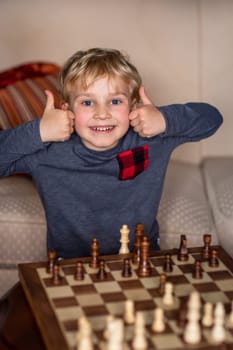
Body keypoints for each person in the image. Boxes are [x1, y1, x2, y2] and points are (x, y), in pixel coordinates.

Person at [0, 48, 223, 259]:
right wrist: (38, 131)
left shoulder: (151, 138)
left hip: (141, 259)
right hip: (69, 267)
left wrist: (164, 119)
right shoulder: (47, 152)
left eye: (115, 101)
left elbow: (212, 118)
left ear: (133, 107)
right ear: (66, 109)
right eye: (87, 102)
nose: (102, 114)